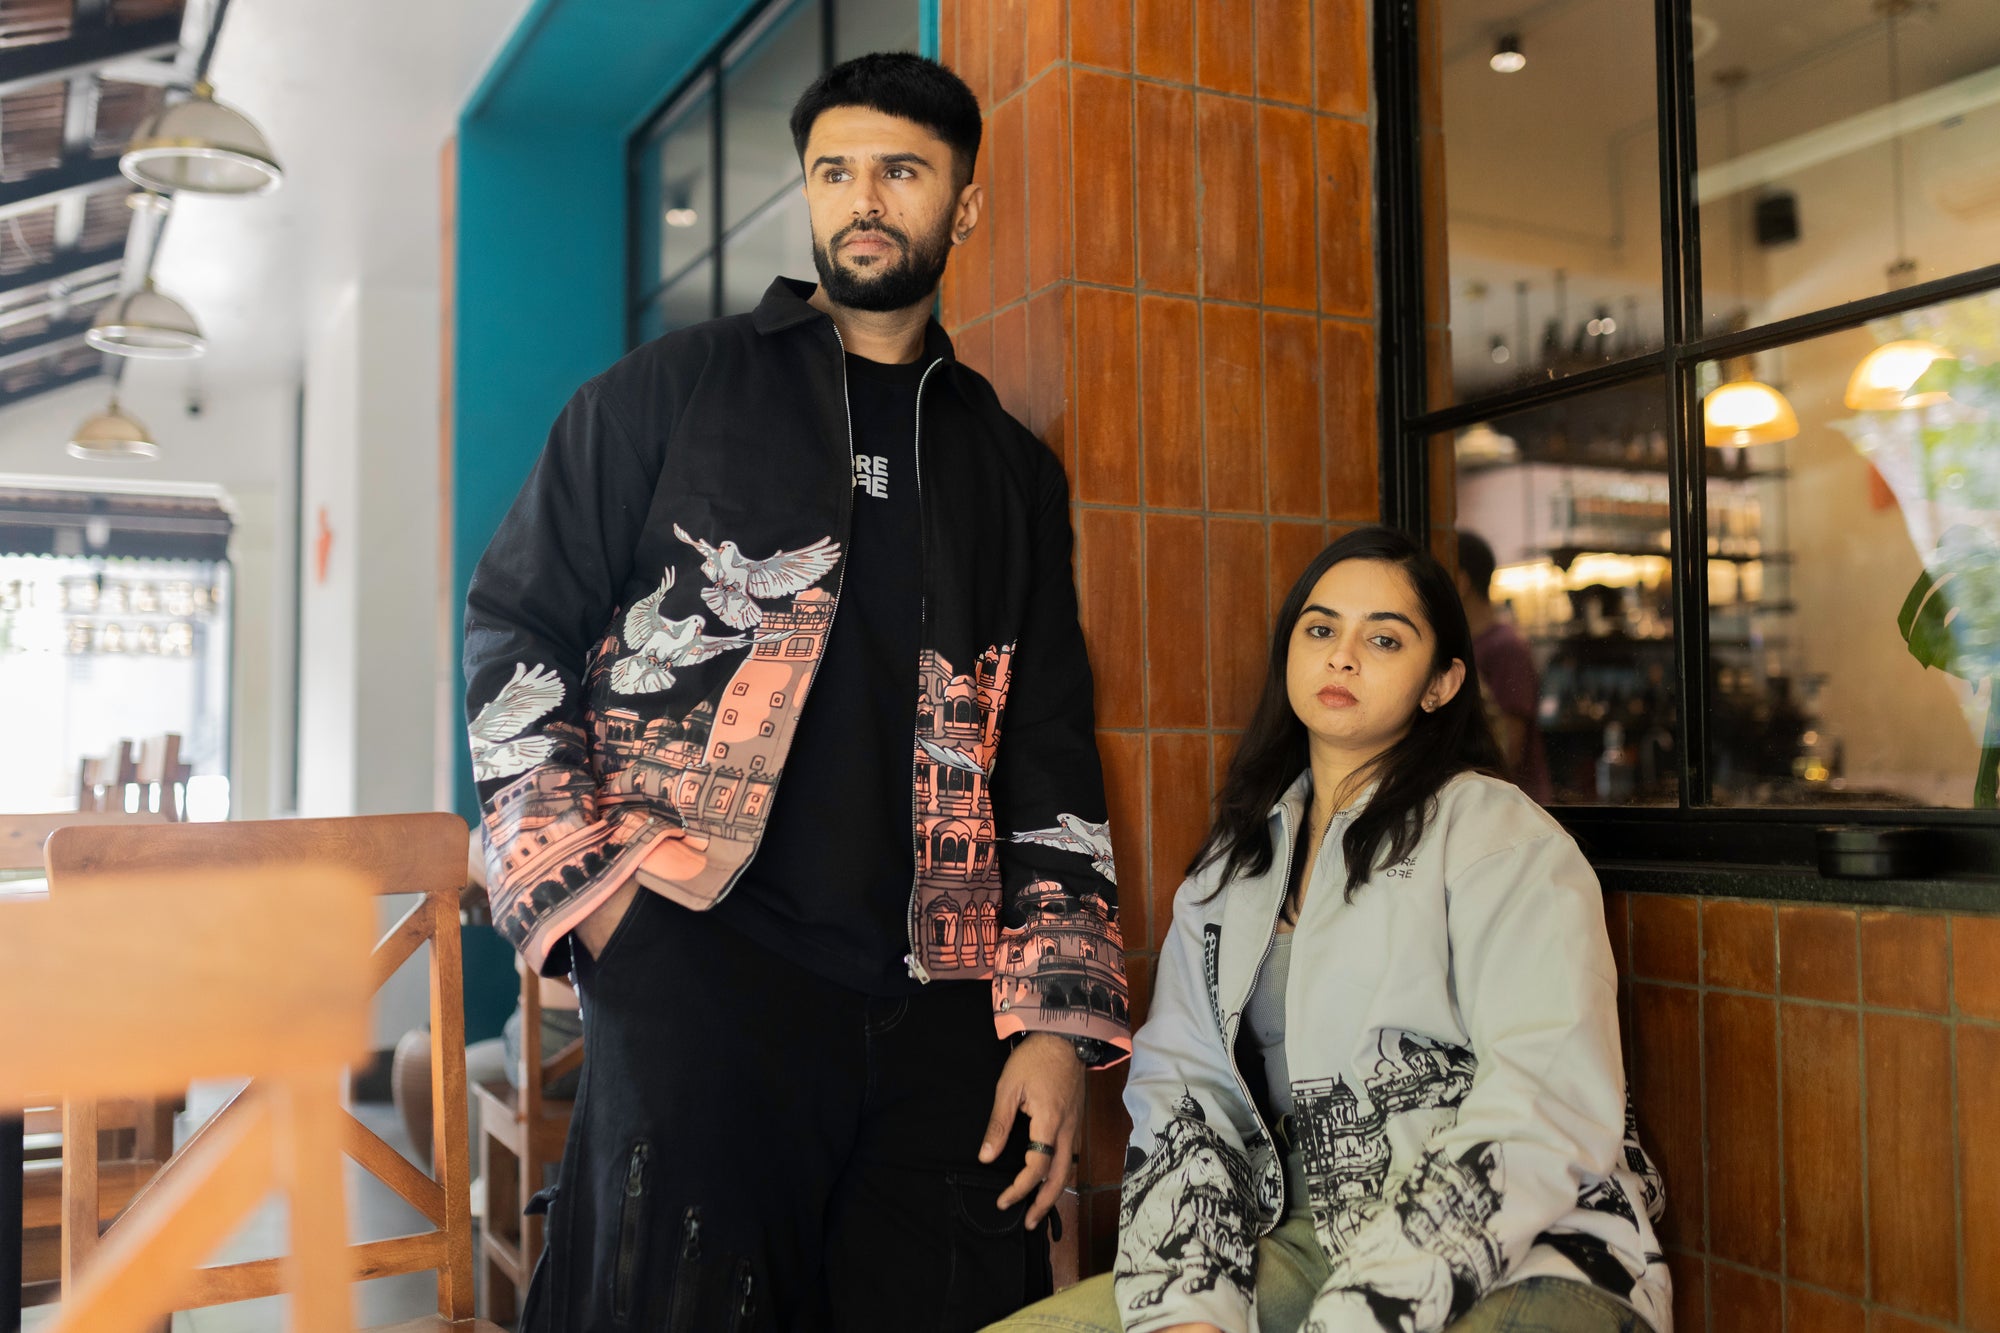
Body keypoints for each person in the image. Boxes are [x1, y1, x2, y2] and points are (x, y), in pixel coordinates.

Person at [461, 52, 1130, 1332]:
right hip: (704, 956)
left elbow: (1048, 750)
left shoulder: (1006, 470)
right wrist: (601, 911)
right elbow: (516, 627)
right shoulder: (672, 394)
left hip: (938, 996)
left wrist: (1049, 1023)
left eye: (900, 169)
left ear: (963, 208)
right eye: (835, 170)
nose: (862, 197)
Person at [987, 526, 1668, 1333]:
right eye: (1320, 629)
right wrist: (1186, 1310)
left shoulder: (1501, 837)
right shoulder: (1230, 870)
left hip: (1542, 1247)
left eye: (1384, 638)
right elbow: (1184, 1098)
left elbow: (1543, 1099)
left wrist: (1361, 1311)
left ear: (1442, 683)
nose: (1342, 656)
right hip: (1309, 1236)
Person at [1455, 530, 1552, 803]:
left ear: (1460, 581)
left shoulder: (1505, 646)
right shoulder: (1469, 645)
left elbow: (1509, 748)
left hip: (1513, 806)